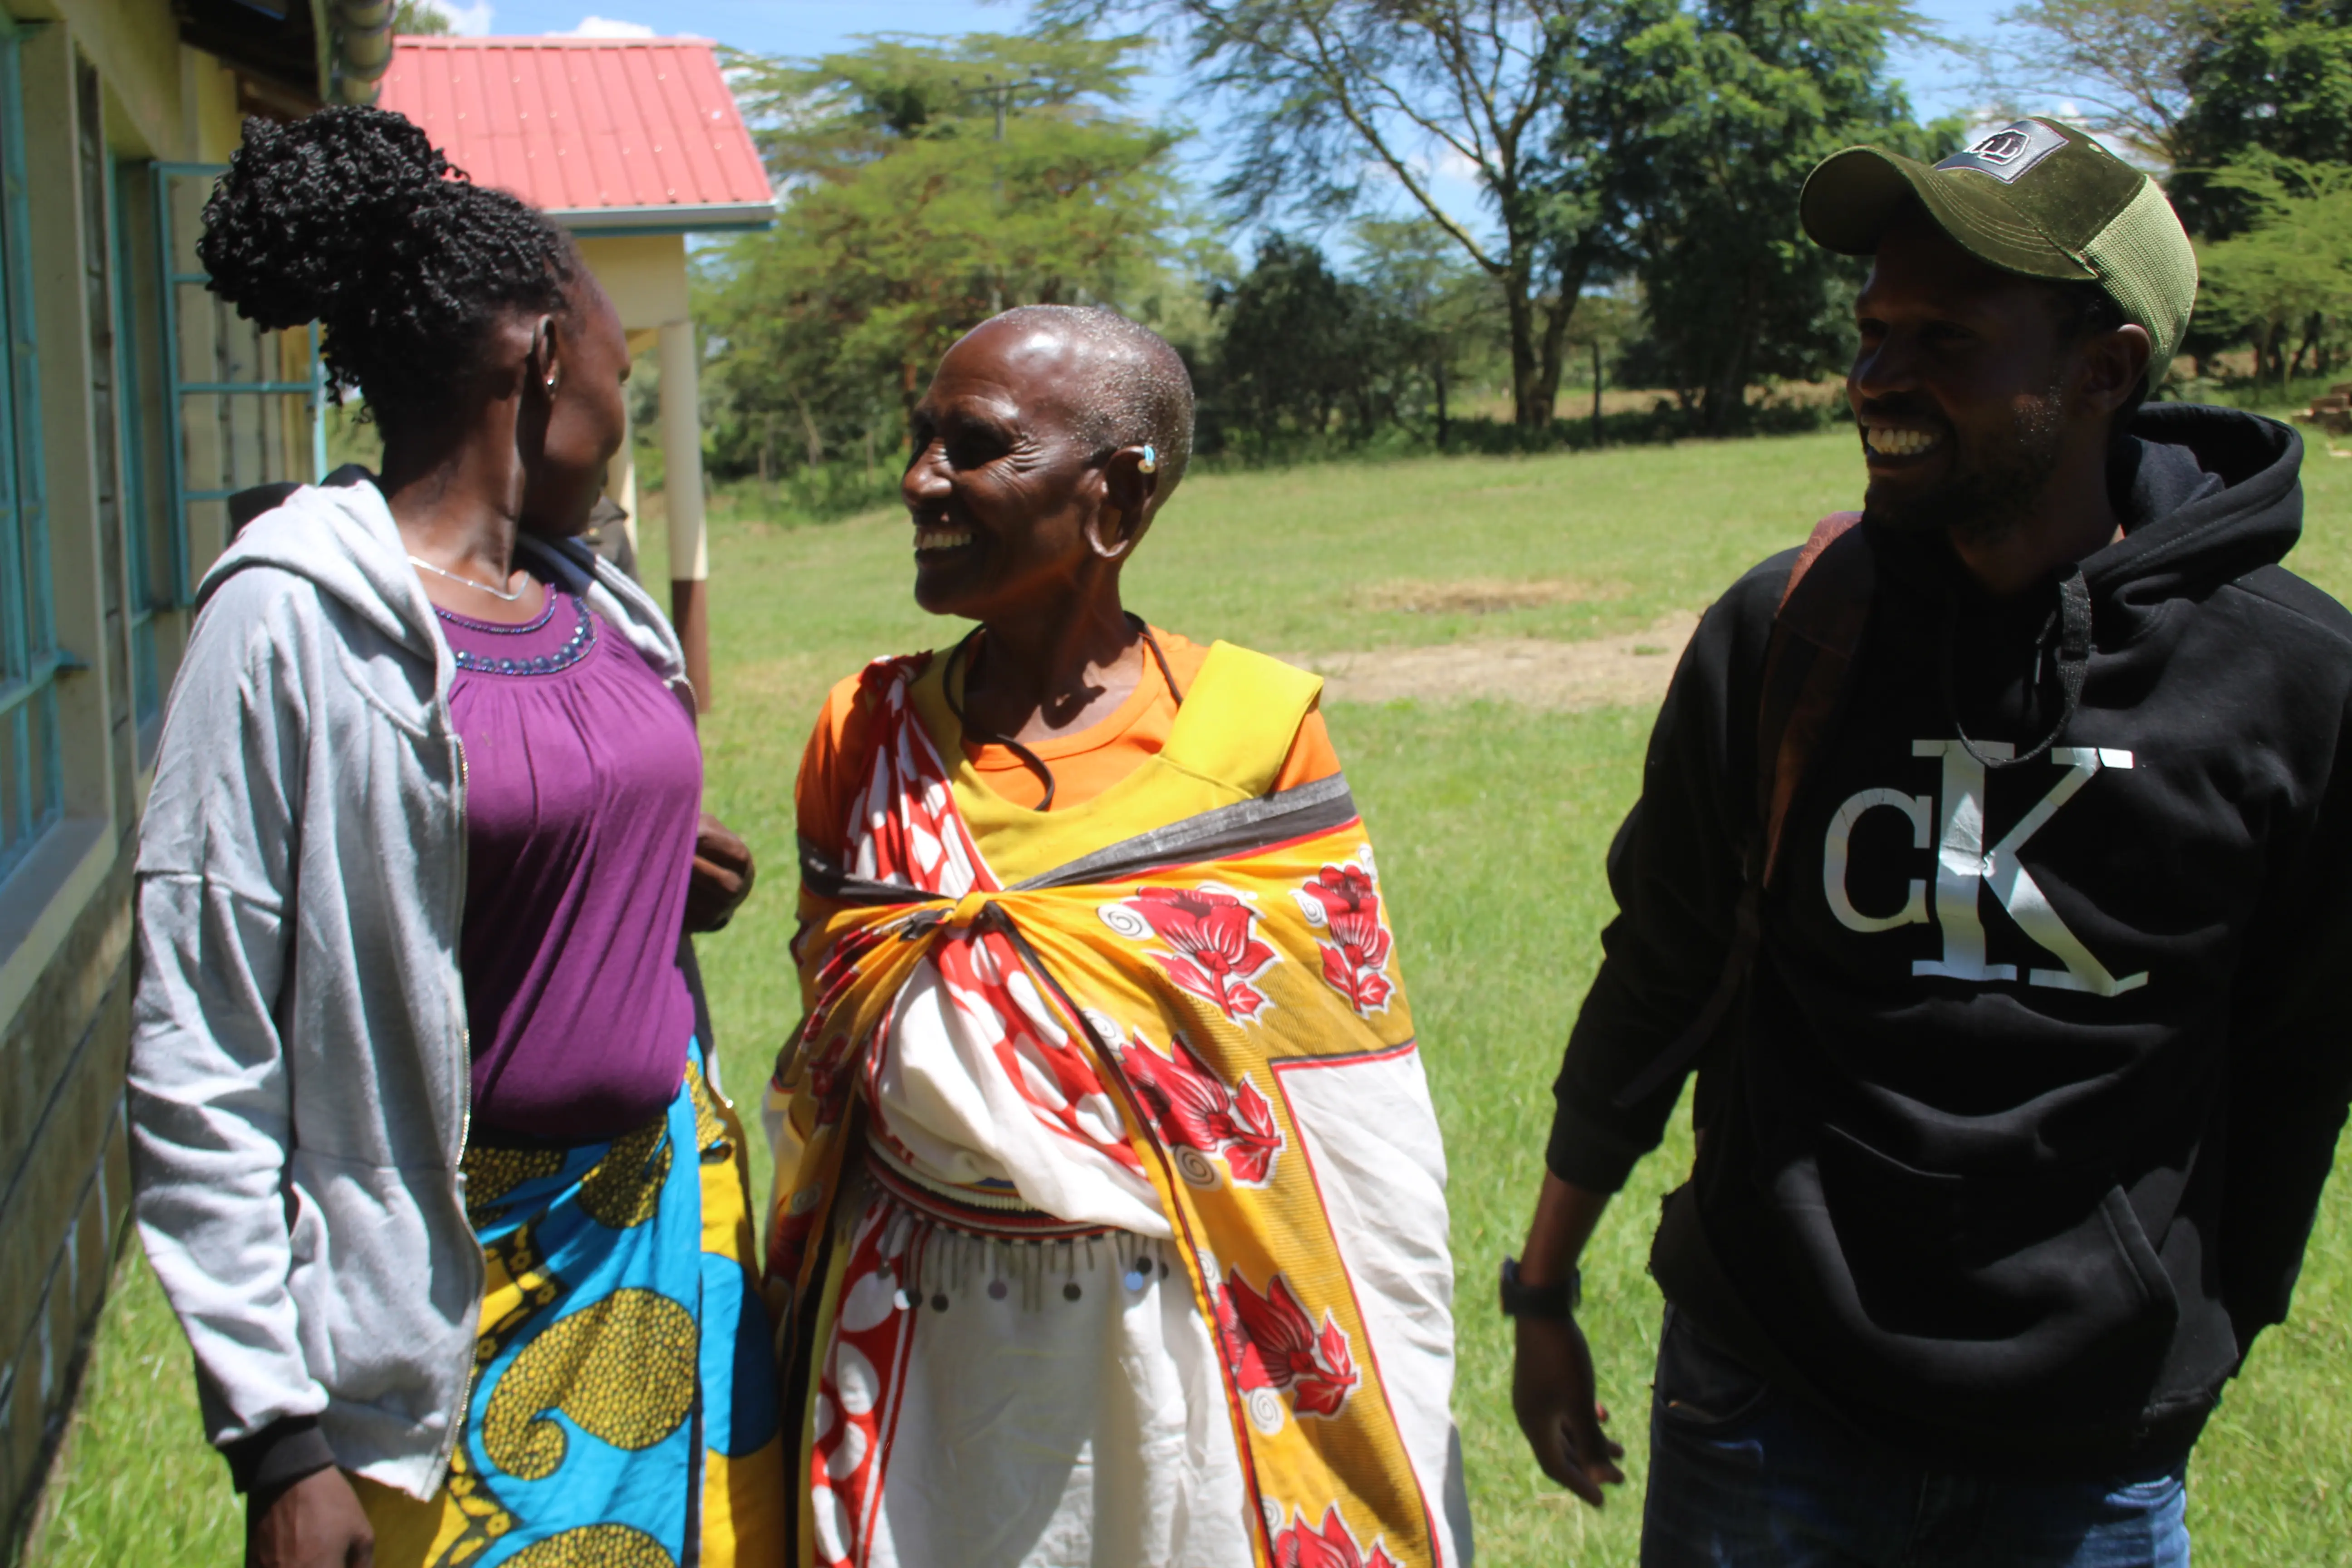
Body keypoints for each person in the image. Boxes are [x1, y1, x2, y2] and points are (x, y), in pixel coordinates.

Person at [1507, 118, 2352, 1566]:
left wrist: (2197, 1340)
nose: (1879, 378)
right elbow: (1665, 967)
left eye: (1946, 338)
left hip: (2087, 1458)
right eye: (1874, 330)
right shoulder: (1783, 631)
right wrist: (1543, 1286)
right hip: (1768, 1403)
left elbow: (2297, 1056)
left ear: (2107, 372)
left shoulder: (2295, 685)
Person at [128, 107, 783, 1568]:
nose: (623, 410)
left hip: (670, 1248)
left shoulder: (590, 602)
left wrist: (637, 865)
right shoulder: (290, 616)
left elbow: (481, 837)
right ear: (542, 355)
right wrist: (278, 1438)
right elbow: (200, 1032)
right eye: (621, 370)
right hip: (445, 1302)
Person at [764, 306, 1470, 1567]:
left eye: (973, 446)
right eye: (921, 438)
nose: (918, 479)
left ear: (1117, 498)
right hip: (909, 1340)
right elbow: (835, 1052)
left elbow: (1349, 1122)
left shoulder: (1257, 734)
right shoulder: (861, 735)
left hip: (1171, 1345)